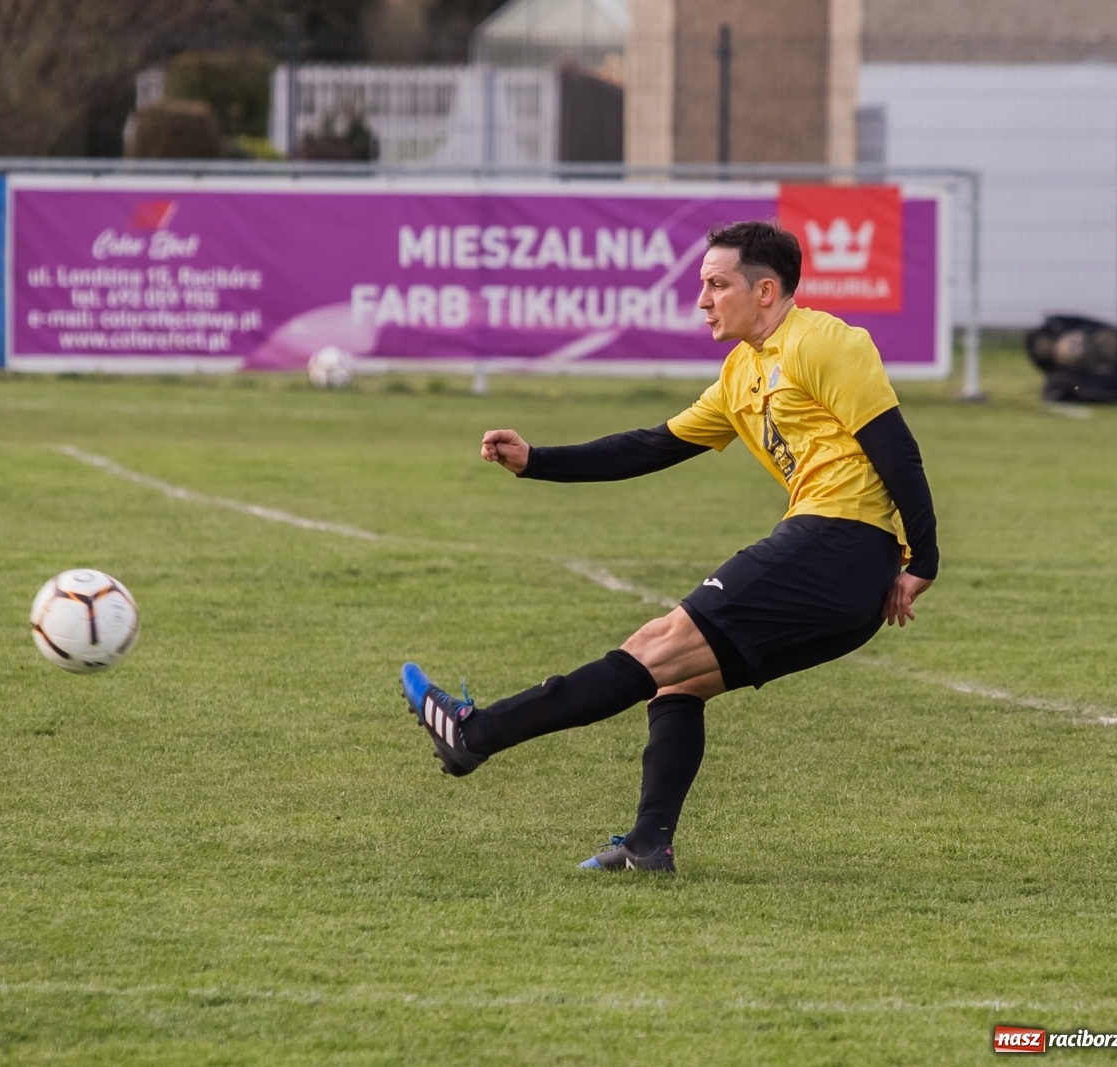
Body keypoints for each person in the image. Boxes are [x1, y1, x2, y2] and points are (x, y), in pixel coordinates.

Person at [401, 220, 939, 874]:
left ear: (765, 291)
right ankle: (648, 845)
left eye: (717, 285)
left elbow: (896, 448)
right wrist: (536, 460)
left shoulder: (823, 341)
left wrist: (923, 561)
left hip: (838, 544)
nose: (703, 300)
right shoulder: (741, 372)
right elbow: (652, 446)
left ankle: (475, 732)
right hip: (842, 575)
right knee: (676, 680)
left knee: (655, 644)